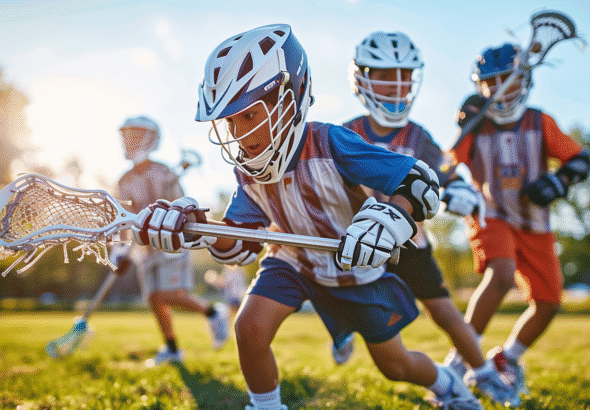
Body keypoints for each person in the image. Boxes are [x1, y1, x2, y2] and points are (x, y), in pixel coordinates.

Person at [130, 24, 484, 410]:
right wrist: (196, 227)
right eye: (230, 120)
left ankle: (447, 383)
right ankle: (265, 406)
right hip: (293, 261)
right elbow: (241, 241)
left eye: (248, 115)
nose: (238, 132)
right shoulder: (247, 169)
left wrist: (393, 215)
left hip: (355, 270)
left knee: (396, 366)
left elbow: (417, 182)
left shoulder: (332, 142)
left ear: (287, 99)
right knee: (249, 327)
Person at [336, 30, 518, 406]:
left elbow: (445, 174)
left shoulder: (419, 137)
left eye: (403, 75)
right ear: (363, 79)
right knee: (334, 295)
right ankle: (340, 329)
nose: (395, 85)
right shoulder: (347, 133)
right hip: (359, 244)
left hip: (409, 242)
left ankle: (482, 372)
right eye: (384, 75)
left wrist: (460, 188)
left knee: (444, 311)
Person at [444, 43, 590, 397]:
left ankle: (507, 358)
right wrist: (463, 126)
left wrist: (560, 180)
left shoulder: (540, 121)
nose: (499, 90)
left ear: (524, 81)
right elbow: (447, 165)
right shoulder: (476, 123)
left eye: (506, 81)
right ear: (479, 86)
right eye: (490, 83)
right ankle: (458, 362)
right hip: (490, 213)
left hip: (534, 222)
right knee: (502, 273)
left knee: (549, 302)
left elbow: (580, 159)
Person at [109, 115, 230, 367]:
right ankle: (173, 349)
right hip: (145, 249)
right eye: (126, 135)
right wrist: (120, 253)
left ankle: (214, 313)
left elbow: (182, 209)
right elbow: (122, 220)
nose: (128, 141)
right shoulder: (124, 180)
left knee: (169, 294)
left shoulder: (163, 172)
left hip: (170, 244)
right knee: (154, 298)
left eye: (135, 134)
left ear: (150, 139)